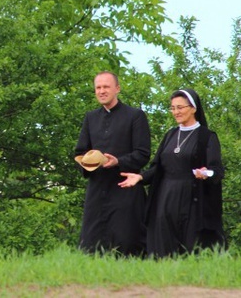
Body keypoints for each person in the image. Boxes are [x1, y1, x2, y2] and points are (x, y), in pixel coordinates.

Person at [119, 89, 226, 257]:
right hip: (165, 197)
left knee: (192, 247)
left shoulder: (207, 137)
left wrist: (206, 173)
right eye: (173, 108)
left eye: (180, 107)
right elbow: (158, 169)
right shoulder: (170, 135)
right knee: (163, 245)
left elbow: (217, 171)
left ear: (193, 108)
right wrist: (140, 177)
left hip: (192, 199)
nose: (176, 112)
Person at [74, 71, 151, 256]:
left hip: (125, 188)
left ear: (117, 88)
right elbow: (79, 152)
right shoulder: (90, 117)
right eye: (98, 88)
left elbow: (143, 154)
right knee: (91, 245)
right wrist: (89, 162)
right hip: (97, 189)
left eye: (106, 87)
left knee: (127, 243)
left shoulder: (135, 116)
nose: (101, 91)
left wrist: (118, 161)